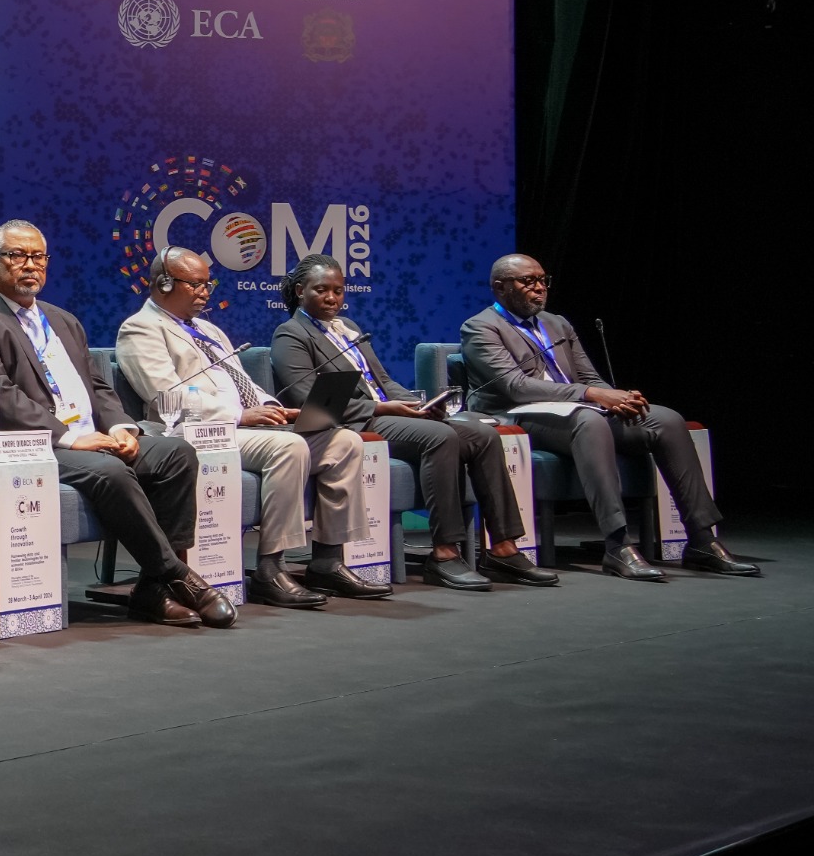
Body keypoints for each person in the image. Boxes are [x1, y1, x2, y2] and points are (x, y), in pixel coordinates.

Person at [0, 221, 233, 629]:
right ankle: (177, 576)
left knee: (176, 454)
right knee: (111, 470)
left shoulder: (62, 320)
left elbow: (97, 386)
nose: (30, 265)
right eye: (17, 255)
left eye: (38, 256)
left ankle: (151, 591)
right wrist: (69, 436)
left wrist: (120, 428)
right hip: (26, 446)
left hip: (91, 437)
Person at [461, 255, 754, 580]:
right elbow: (515, 387)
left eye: (543, 280)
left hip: (577, 409)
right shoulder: (481, 327)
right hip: (519, 417)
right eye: (528, 281)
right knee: (590, 422)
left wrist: (618, 398)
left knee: (666, 420)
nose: (540, 287)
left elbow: (589, 377)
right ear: (500, 287)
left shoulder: (557, 323)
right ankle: (617, 545)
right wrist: (592, 395)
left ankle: (701, 540)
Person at [115, 248, 380, 608]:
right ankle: (271, 570)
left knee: (345, 442)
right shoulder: (140, 329)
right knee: (289, 448)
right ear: (163, 283)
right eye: (195, 284)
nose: (205, 292)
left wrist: (272, 407)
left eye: (208, 284)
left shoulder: (208, 329)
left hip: (238, 429)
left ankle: (327, 562)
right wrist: (239, 415)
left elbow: (241, 382)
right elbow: (166, 396)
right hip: (191, 435)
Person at [273, 254, 556, 591]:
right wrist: (383, 408)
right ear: (300, 291)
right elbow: (308, 398)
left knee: (482, 434)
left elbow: (382, 381)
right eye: (322, 290)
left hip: (385, 412)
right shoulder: (291, 334)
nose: (332, 298)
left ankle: (504, 550)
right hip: (354, 423)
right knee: (439, 437)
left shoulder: (349, 328)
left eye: (338, 290)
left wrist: (416, 404)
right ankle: (445, 554)